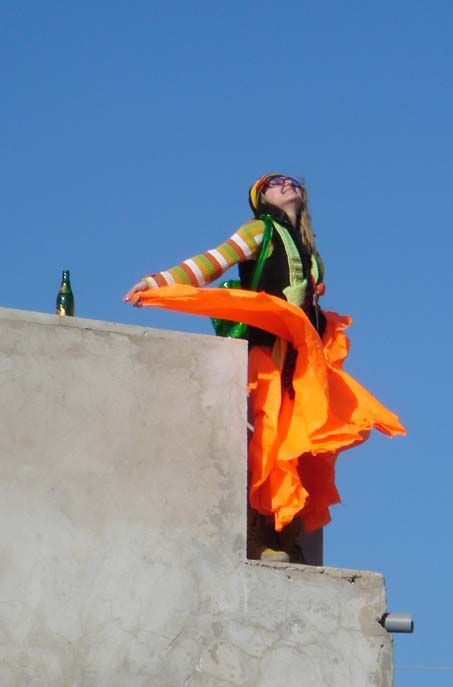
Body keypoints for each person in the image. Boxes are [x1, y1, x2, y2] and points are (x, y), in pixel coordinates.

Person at [124, 173, 406, 563]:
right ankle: (263, 535)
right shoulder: (260, 230)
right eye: (275, 182)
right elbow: (215, 261)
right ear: (261, 199)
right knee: (270, 434)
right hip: (269, 349)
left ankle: (287, 534)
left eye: (292, 181)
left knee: (300, 440)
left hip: (301, 357)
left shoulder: (310, 251)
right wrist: (158, 282)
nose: (287, 184)